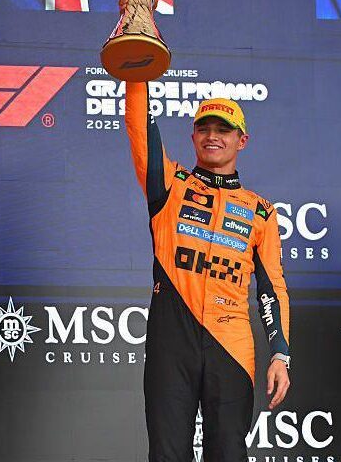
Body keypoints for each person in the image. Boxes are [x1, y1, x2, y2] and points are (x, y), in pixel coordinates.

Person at [124, 82, 291, 462]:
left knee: (229, 454)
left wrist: (280, 354)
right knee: (167, 454)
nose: (212, 136)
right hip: (172, 340)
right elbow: (139, 127)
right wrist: (137, 72)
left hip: (231, 344)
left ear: (241, 140)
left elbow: (271, 288)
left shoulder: (261, 211)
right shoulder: (169, 184)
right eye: (204, 128)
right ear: (193, 135)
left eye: (223, 129)